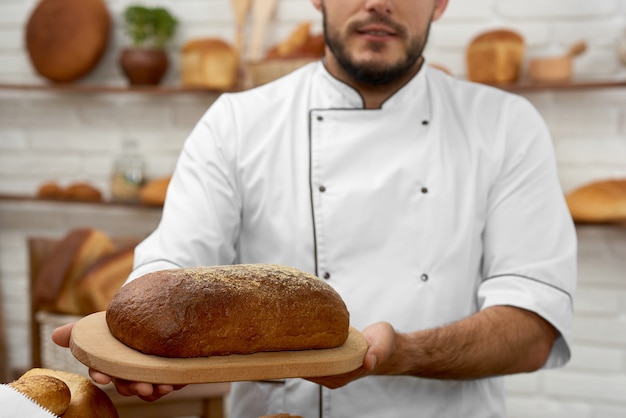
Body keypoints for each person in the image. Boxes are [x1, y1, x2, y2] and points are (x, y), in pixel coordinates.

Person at [53, 0, 577, 416]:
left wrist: (405, 354)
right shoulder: (237, 121)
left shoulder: (506, 125)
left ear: (440, 3)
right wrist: (141, 350)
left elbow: (533, 327)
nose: (378, 3)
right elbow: (173, 263)